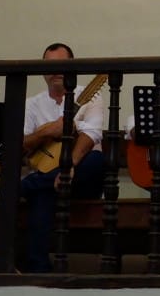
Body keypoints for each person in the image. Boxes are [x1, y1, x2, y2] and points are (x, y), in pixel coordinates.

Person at [18, 42, 108, 272]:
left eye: (61, 64)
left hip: (80, 177)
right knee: (44, 194)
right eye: (50, 65)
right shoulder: (32, 105)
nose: (56, 70)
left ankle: (26, 186)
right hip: (51, 183)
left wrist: (68, 167)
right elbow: (20, 144)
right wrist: (47, 131)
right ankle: (39, 270)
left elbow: (92, 134)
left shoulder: (89, 96)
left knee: (97, 160)